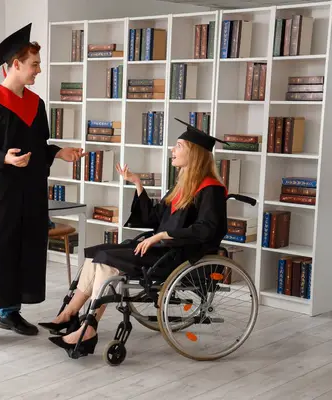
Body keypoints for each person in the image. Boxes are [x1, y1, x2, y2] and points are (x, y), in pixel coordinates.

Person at [39, 118, 229, 357]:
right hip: (160, 248)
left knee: (108, 260)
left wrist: (163, 234)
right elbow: (154, 217)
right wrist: (138, 184)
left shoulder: (210, 189)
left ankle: (88, 328)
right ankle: (69, 315)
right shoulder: (181, 186)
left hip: (178, 256)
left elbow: (208, 229)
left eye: (178, 146)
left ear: (195, 153)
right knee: (96, 254)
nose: (173, 150)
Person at [0, 23, 86, 349]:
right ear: (16, 64)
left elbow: (40, 146)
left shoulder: (36, 105)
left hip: (29, 194)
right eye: (34, 64)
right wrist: (3, 158)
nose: (39, 70)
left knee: (21, 250)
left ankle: (11, 311)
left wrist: (60, 152)